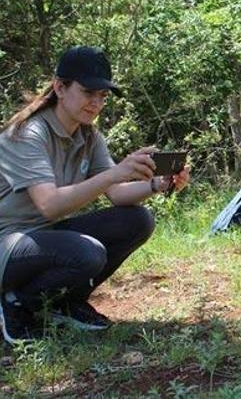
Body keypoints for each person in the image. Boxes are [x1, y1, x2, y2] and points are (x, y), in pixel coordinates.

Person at [0, 46, 191, 344]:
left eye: (103, 95)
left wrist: (157, 184)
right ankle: (16, 303)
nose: (97, 102)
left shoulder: (88, 136)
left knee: (138, 220)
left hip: (44, 237)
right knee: (86, 251)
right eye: (89, 92)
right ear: (59, 88)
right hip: (8, 242)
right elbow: (49, 205)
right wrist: (116, 172)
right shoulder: (27, 133)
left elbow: (116, 194)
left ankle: (66, 302)